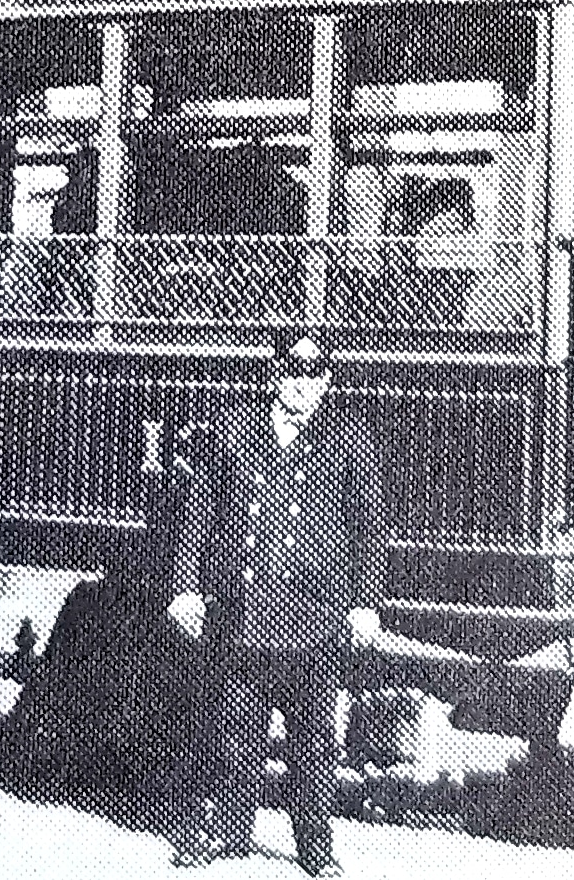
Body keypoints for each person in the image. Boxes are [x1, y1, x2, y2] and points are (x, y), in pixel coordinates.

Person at [168, 328, 387, 878]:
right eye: (292, 371)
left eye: (313, 375)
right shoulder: (233, 435)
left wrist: (365, 603)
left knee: (313, 743)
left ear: (327, 382)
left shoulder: (350, 443)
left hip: (315, 617)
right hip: (244, 612)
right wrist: (188, 587)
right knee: (232, 731)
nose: (301, 385)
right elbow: (198, 518)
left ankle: (316, 847)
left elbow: (368, 532)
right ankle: (225, 831)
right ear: (274, 373)